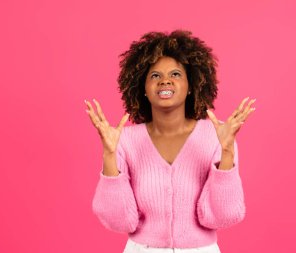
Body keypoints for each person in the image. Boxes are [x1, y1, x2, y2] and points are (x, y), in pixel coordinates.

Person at [85, 30, 256, 253]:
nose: (165, 80)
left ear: (191, 85)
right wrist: (109, 154)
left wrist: (227, 153)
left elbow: (223, 216)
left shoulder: (216, 136)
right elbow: (119, 221)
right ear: (143, 88)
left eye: (176, 74)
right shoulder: (124, 140)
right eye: (155, 75)